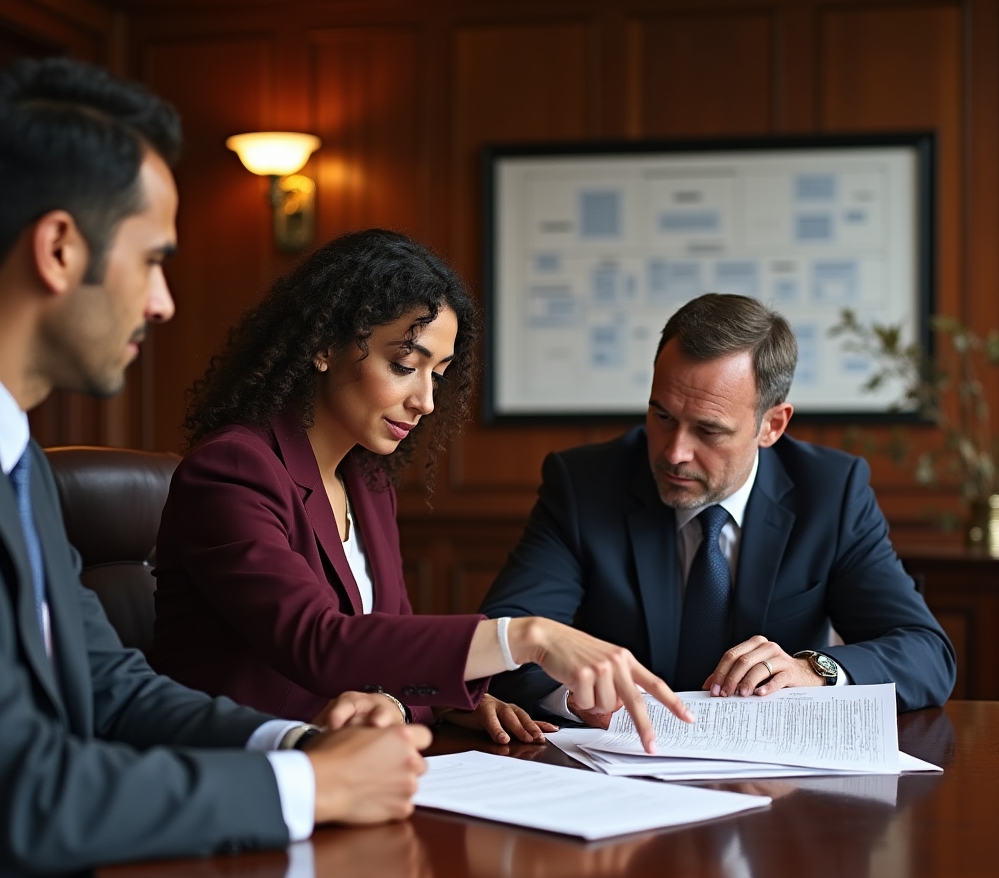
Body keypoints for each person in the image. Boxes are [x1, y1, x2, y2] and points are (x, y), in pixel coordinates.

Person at [0, 56, 436, 878]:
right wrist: (314, 794)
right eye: (153, 260)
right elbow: (22, 788)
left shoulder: (9, 454)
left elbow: (108, 685)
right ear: (60, 249)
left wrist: (300, 744)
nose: (163, 302)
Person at [152, 229, 692, 750]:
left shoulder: (366, 482)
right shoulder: (233, 468)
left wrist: (427, 701)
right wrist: (524, 636)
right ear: (322, 346)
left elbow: (393, 647)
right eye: (404, 365)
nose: (426, 401)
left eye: (438, 373)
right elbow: (319, 643)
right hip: (237, 774)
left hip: (351, 771)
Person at [482, 293, 956, 722]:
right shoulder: (584, 484)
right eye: (662, 416)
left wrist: (816, 669)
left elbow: (926, 653)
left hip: (777, 786)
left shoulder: (831, 493)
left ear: (771, 425)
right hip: (619, 767)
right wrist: (573, 697)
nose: (673, 452)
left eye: (708, 430)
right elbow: (501, 639)